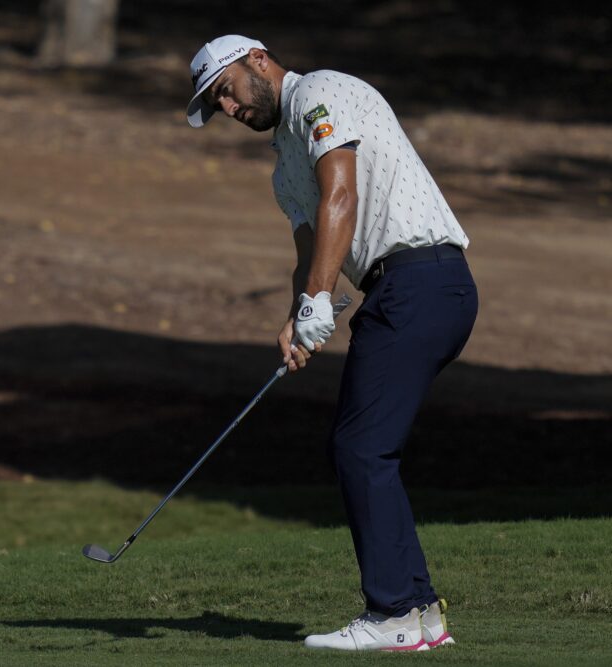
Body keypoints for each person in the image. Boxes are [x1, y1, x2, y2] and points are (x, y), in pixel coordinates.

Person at [186, 35, 478, 651]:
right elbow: (309, 251)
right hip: (403, 292)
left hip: (423, 279)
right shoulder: (283, 165)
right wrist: (299, 315)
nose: (231, 111)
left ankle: (394, 613)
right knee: (368, 448)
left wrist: (322, 300)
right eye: (219, 107)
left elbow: (341, 194)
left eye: (227, 92)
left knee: (360, 449)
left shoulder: (322, 92)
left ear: (257, 60)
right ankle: (420, 614)